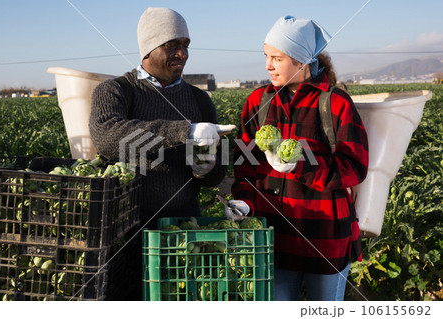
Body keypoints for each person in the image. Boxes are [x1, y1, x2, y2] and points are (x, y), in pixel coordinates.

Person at [228, 16, 369, 301]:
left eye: (277, 58)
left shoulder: (334, 102)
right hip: (275, 239)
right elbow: (246, 165)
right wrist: (245, 199)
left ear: (301, 61)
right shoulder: (258, 102)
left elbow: (354, 167)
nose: (268, 65)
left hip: (325, 239)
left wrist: (300, 165)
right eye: (266, 57)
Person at [89, 7, 231, 229]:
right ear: (148, 49)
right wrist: (185, 131)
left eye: (185, 45)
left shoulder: (200, 99)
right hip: (125, 229)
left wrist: (207, 169)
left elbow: (218, 175)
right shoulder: (115, 91)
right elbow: (107, 139)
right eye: (172, 45)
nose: (182, 54)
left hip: (185, 227)